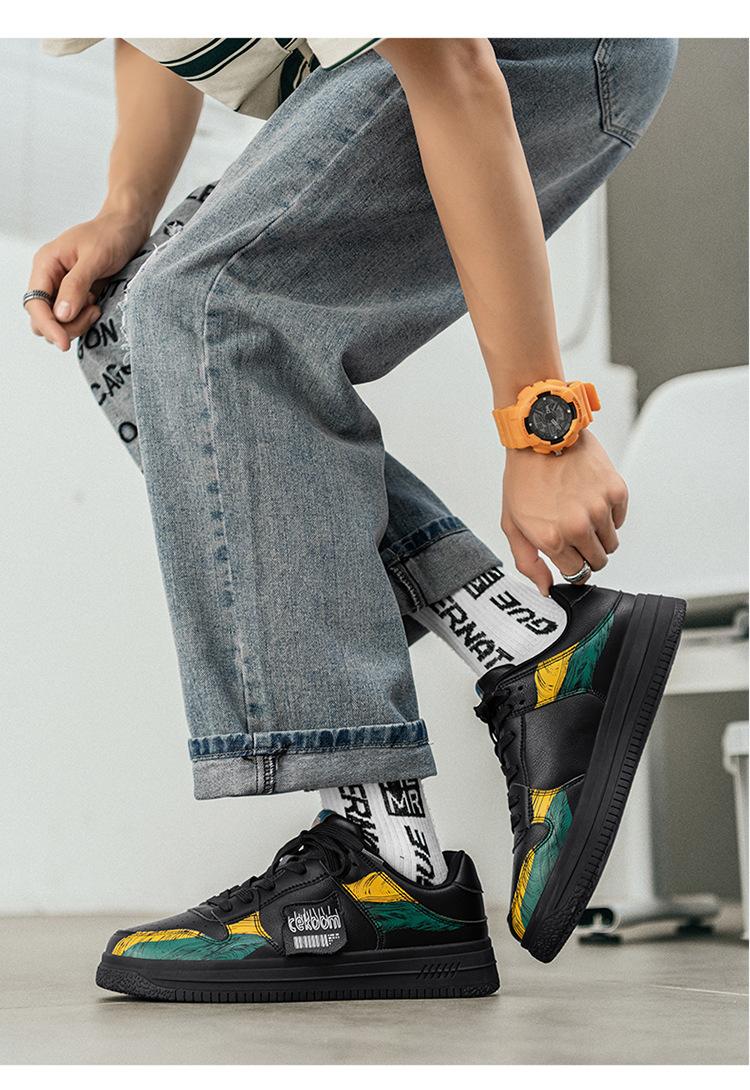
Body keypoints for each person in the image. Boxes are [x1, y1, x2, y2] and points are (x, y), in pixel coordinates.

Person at [25, 37, 681, 1002]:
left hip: (539, 48)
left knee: (211, 312)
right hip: (419, 66)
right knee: (131, 327)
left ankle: (391, 869)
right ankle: (525, 646)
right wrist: (126, 209)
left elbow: (452, 64)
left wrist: (545, 427)